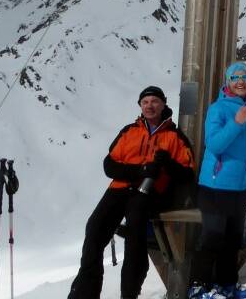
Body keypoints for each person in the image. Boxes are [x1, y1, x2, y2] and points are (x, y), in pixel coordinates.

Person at [68, 86, 194, 299]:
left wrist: (167, 165)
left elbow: (187, 174)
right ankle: (84, 294)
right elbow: (109, 165)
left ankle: (129, 294)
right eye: (145, 102)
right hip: (119, 189)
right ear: (140, 106)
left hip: (149, 193)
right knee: (94, 230)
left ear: (163, 104)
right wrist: (140, 170)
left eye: (154, 101)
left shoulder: (174, 136)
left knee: (135, 236)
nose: (149, 106)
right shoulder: (130, 131)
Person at [189, 62, 246, 299]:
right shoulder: (218, 109)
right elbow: (215, 144)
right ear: (228, 82)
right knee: (212, 238)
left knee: (232, 240)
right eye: (235, 77)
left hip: (240, 187)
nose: (240, 81)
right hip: (216, 186)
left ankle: (227, 285)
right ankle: (198, 287)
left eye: (244, 77)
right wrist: (236, 123)